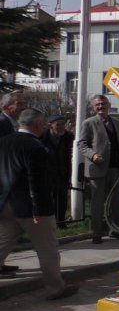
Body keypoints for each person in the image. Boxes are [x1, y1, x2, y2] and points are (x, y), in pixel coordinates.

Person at [0, 108, 79, 299]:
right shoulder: (36, 147)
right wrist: (40, 209)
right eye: (43, 124)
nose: (44, 127)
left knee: (2, 244)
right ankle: (55, 288)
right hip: (31, 208)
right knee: (48, 250)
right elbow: (37, 181)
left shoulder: (3, 142)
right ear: (36, 125)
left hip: (6, 203)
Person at [77, 95, 119, 244]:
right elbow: (82, 144)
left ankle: (116, 231)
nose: (100, 107)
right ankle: (97, 233)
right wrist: (93, 155)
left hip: (116, 168)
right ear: (93, 108)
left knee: (117, 202)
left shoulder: (116, 122)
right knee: (97, 202)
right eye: (97, 105)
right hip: (98, 169)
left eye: (103, 104)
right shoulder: (89, 123)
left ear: (109, 104)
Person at [0, 90, 25, 277]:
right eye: (19, 104)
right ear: (7, 107)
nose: (22, 107)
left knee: (8, 226)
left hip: (9, 183)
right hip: (4, 183)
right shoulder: (2, 124)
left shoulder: (11, 123)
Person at [41, 114, 75, 228]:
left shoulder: (68, 136)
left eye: (63, 124)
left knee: (62, 199)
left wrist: (69, 176)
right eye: (58, 125)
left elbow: (68, 157)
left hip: (62, 172)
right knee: (46, 199)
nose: (61, 127)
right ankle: (46, 222)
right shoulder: (42, 136)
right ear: (50, 125)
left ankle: (60, 222)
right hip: (46, 173)